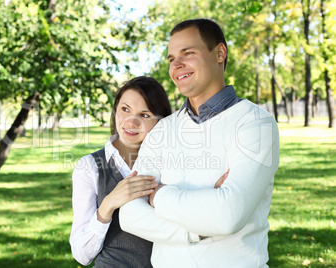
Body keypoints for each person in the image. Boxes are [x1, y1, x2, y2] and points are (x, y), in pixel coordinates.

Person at [119, 19, 280, 267]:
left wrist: (158, 196)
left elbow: (228, 215)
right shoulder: (163, 129)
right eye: (171, 58)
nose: (177, 65)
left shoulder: (255, 123)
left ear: (219, 53)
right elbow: (130, 215)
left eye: (188, 53)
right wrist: (198, 230)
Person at [69, 76, 172, 267]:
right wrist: (108, 204)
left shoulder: (172, 163)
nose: (131, 122)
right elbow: (82, 255)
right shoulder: (90, 167)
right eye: (125, 110)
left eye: (145, 115)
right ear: (116, 109)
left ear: (161, 122)